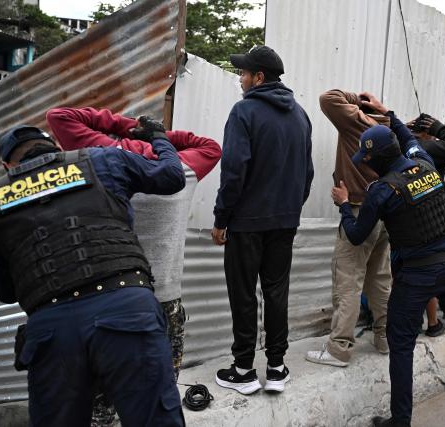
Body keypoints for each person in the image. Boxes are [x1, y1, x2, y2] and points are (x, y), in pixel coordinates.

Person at [0, 123, 186, 426]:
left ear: (7, 165)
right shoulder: (101, 159)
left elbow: (5, 291)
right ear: (58, 148)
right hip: (126, 308)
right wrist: (158, 138)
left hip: (53, 330)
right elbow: (173, 176)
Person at [45, 106, 222, 425]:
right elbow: (210, 145)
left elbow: (59, 116)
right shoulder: (184, 169)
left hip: (111, 300)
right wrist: (156, 135)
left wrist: (125, 128)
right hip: (165, 300)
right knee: (159, 394)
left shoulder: (104, 159)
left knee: (100, 403)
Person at [328, 93, 445, 427]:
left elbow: (357, 234)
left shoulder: (381, 190)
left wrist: (345, 204)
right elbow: (406, 137)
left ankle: (400, 421)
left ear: (375, 161)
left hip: (417, 278)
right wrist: (385, 110)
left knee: (401, 345)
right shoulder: (425, 164)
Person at [211, 45, 314, 395]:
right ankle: (276, 368)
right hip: (284, 223)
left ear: (258, 77)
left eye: (243, 73)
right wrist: (289, 211)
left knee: (243, 295)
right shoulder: (300, 115)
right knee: (276, 292)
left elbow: (233, 171)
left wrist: (222, 217)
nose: (240, 79)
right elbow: (308, 174)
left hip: (246, 223)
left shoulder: (244, 112)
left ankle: (243, 369)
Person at [305, 89, 392, 367]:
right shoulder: (387, 127)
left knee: (348, 281)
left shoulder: (356, 121)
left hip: (357, 210)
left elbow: (327, 98)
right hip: (385, 214)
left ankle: (339, 348)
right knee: (379, 279)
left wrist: (355, 98)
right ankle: (384, 338)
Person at [407, 114, 445, 337]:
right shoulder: (428, 148)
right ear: (427, 132)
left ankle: (413, 324)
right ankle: (432, 323)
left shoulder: (400, 145)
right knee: (430, 271)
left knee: (406, 272)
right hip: (431, 219)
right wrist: (440, 127)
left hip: (403, 218)